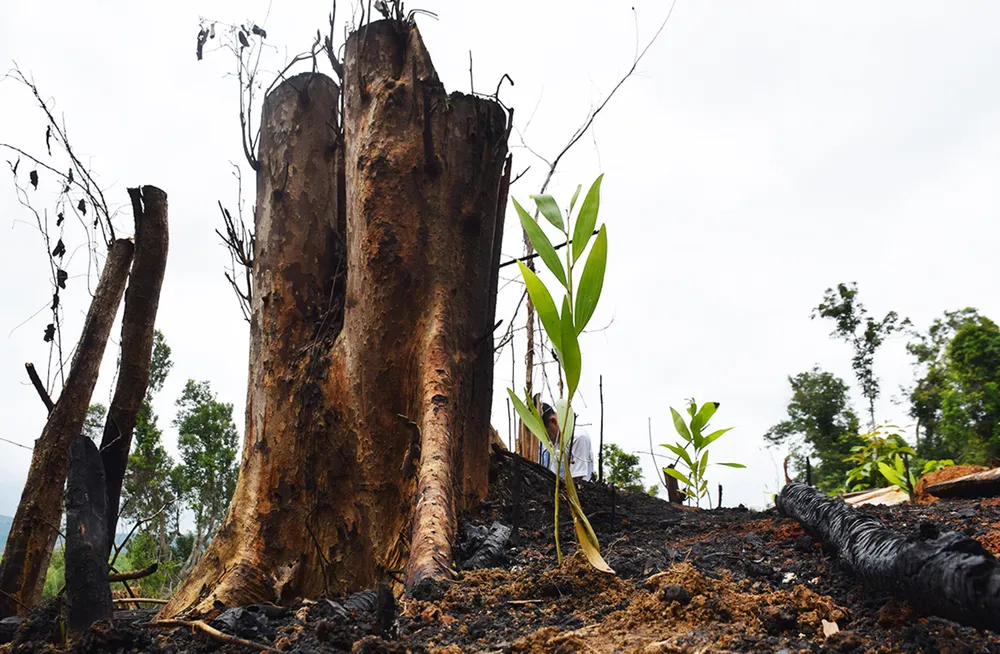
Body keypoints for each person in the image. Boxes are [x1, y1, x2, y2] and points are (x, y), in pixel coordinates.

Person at [539, 403, 594, 482]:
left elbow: (577, 478)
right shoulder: (554, 441)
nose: (546, 438)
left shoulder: (578, 437)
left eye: (546, 433)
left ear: (553, 421)